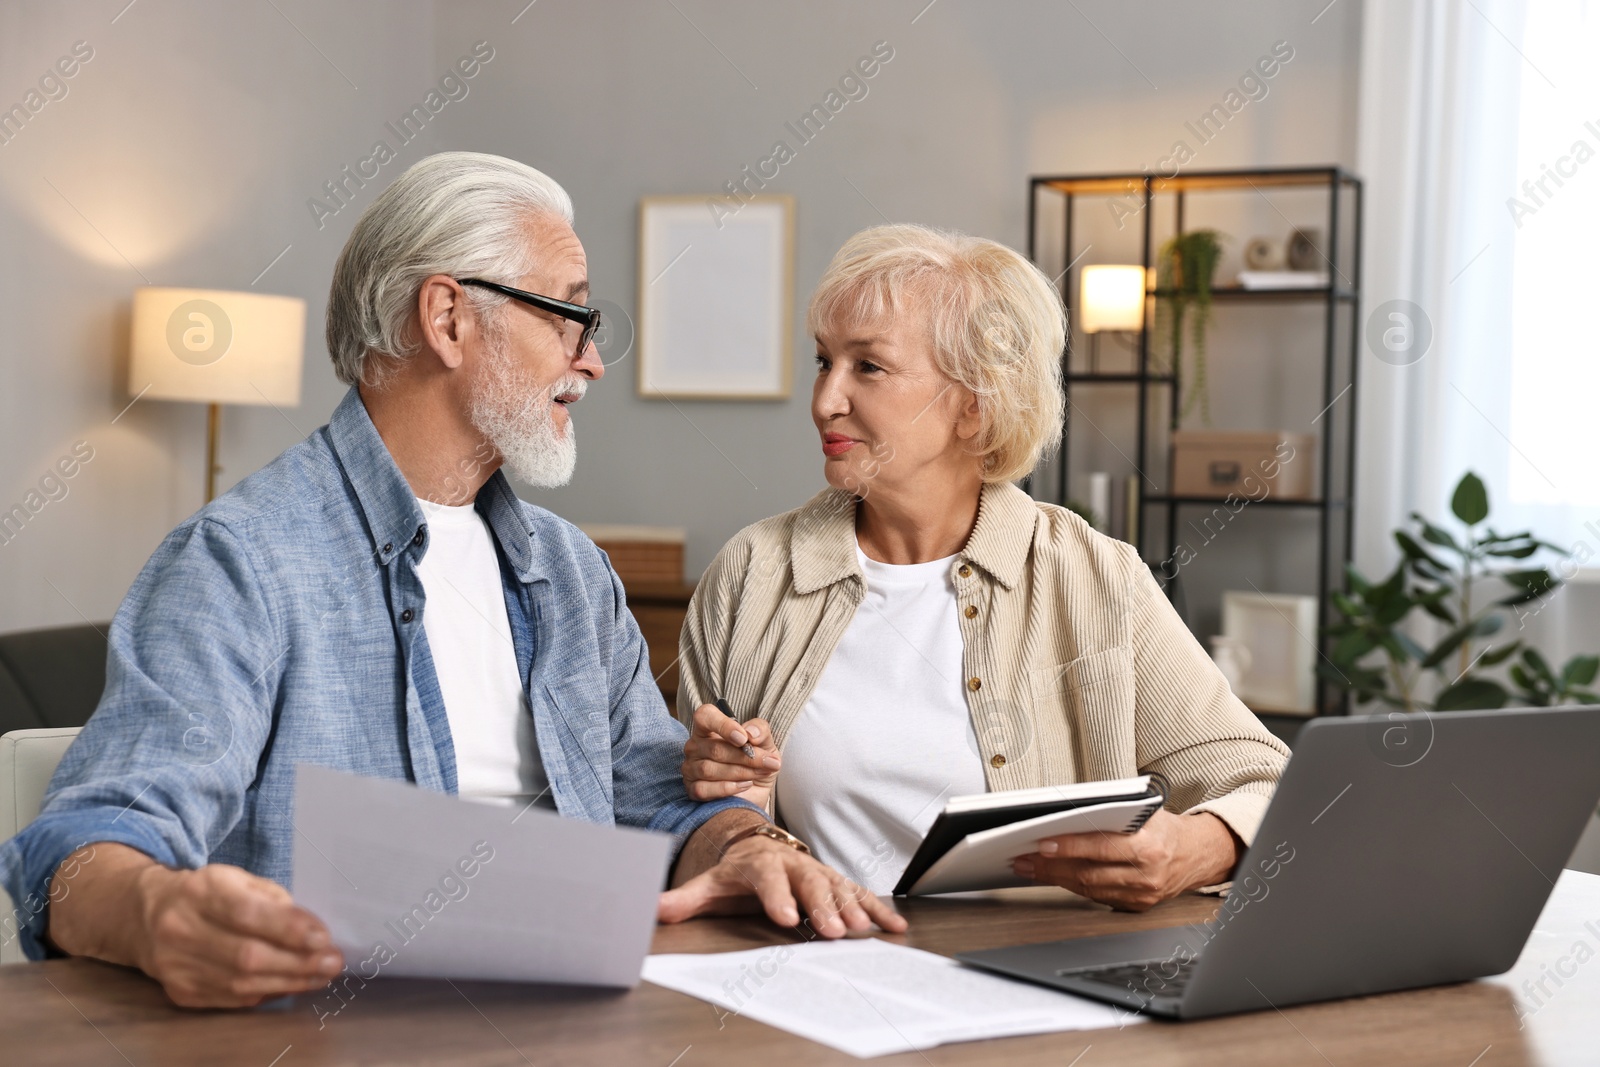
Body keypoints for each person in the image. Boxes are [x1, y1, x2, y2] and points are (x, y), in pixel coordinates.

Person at [0, 152, 902, 1009]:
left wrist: (742, 841)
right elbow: (82, 846)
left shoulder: (570, 570)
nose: (589, 359)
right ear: (448, 319)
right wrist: (158, 916)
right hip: (333, 1027)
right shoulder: (242, 560)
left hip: (588, 1013)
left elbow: (655, 797)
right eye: (568, 317)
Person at [678, 223, 1291, 911]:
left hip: (1034, 985)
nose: (825, 400)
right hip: (817, 976)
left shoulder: (1093, 578)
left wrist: (1195, 848)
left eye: (868, 367)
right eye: (824, 362)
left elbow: (1267, 781)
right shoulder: (752, 574)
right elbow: (682, 826)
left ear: (974, 404)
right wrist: (717, 797)